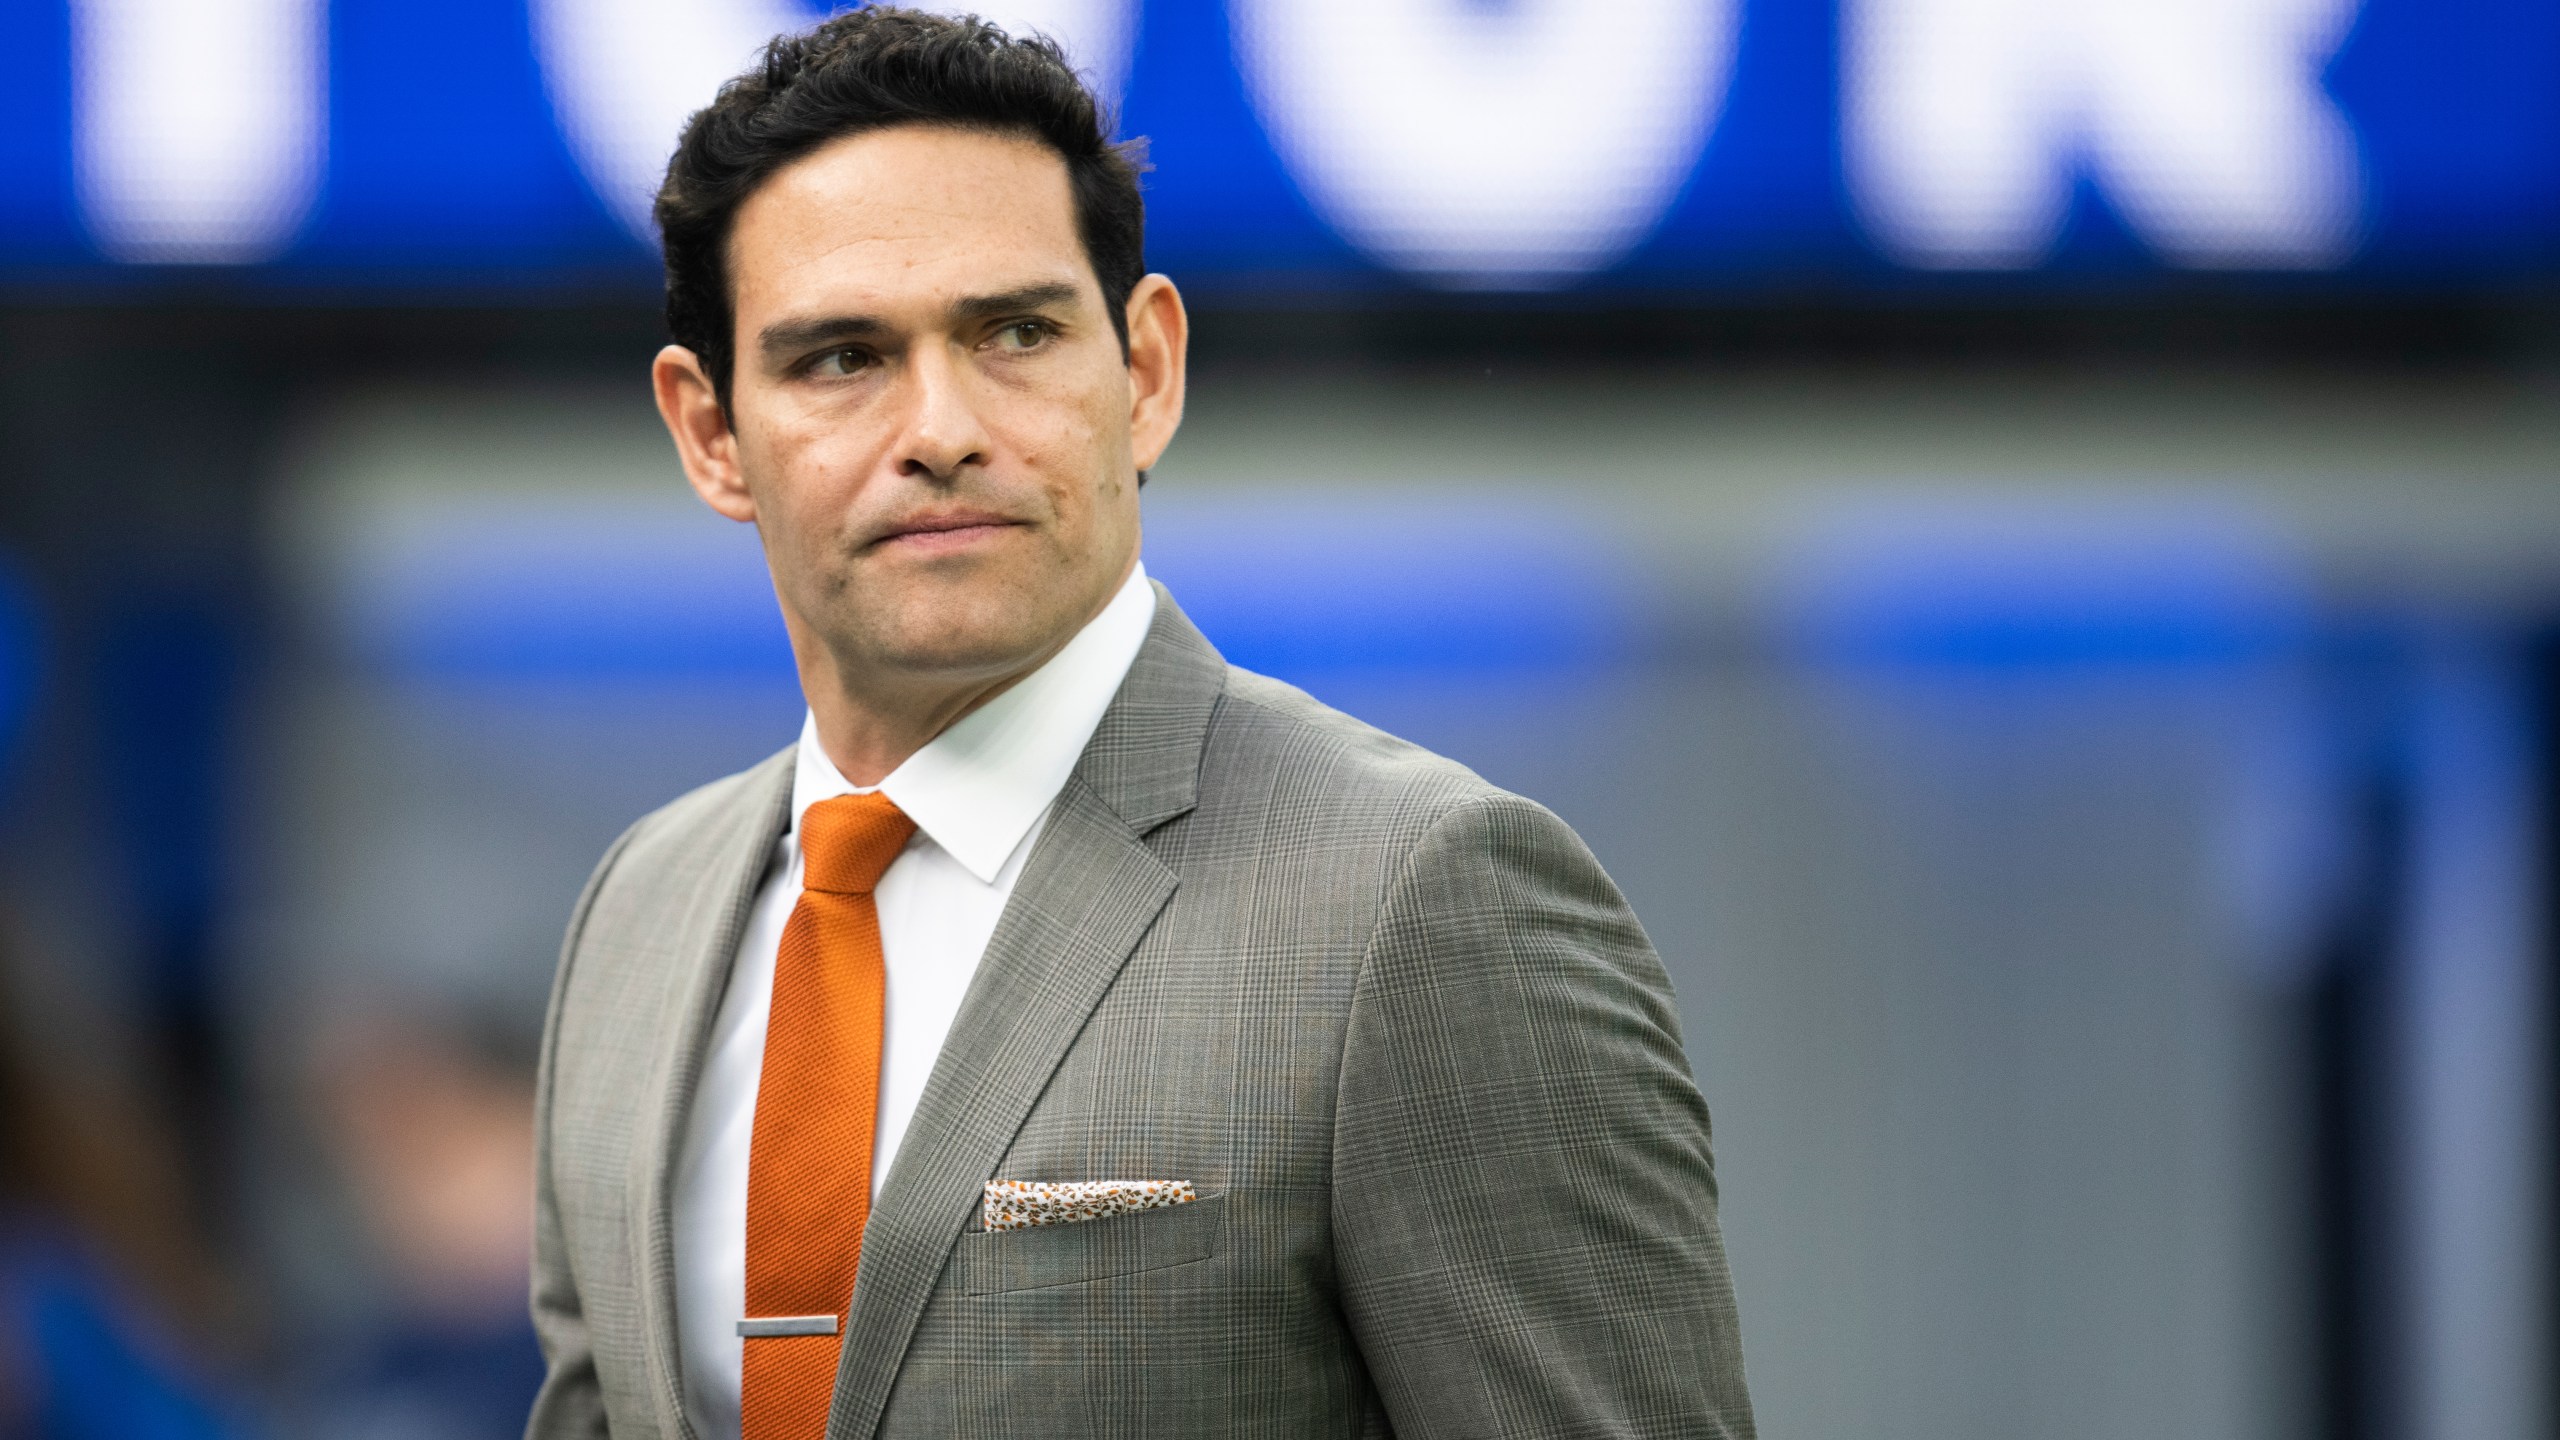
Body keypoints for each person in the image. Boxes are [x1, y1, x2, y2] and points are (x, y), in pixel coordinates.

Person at [525, 10, 1753, 1438]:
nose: (940, 428)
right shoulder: (642, 913)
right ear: (710, 435)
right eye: (842, 358)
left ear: (1147, 372)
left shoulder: (1419, 901)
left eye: (1016, 333)